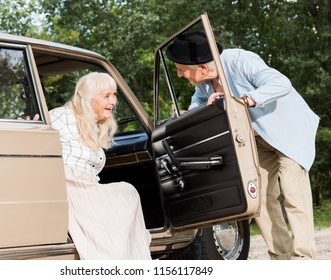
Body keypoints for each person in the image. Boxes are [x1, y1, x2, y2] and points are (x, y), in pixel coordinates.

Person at [166, 31, 320, 260]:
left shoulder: (239, 60)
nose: (179, 74)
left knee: (293, 194)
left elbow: (281, 83)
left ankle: (305, 261)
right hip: (256, 138)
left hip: (289, 131)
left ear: (201, 67)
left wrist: (242, 101)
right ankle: (282, 258)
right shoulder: (205, 83)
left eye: (180, 69)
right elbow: (197, 106)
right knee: (260, 199)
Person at [49, 72, 151, 260]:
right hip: (71, 187)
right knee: (126, 193)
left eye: (114, 95)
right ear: (88, 98)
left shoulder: (95, 127)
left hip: (88, 187)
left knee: (127, 193)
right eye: (106, 96)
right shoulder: (62, 116)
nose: (113, 101)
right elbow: (38, 135)